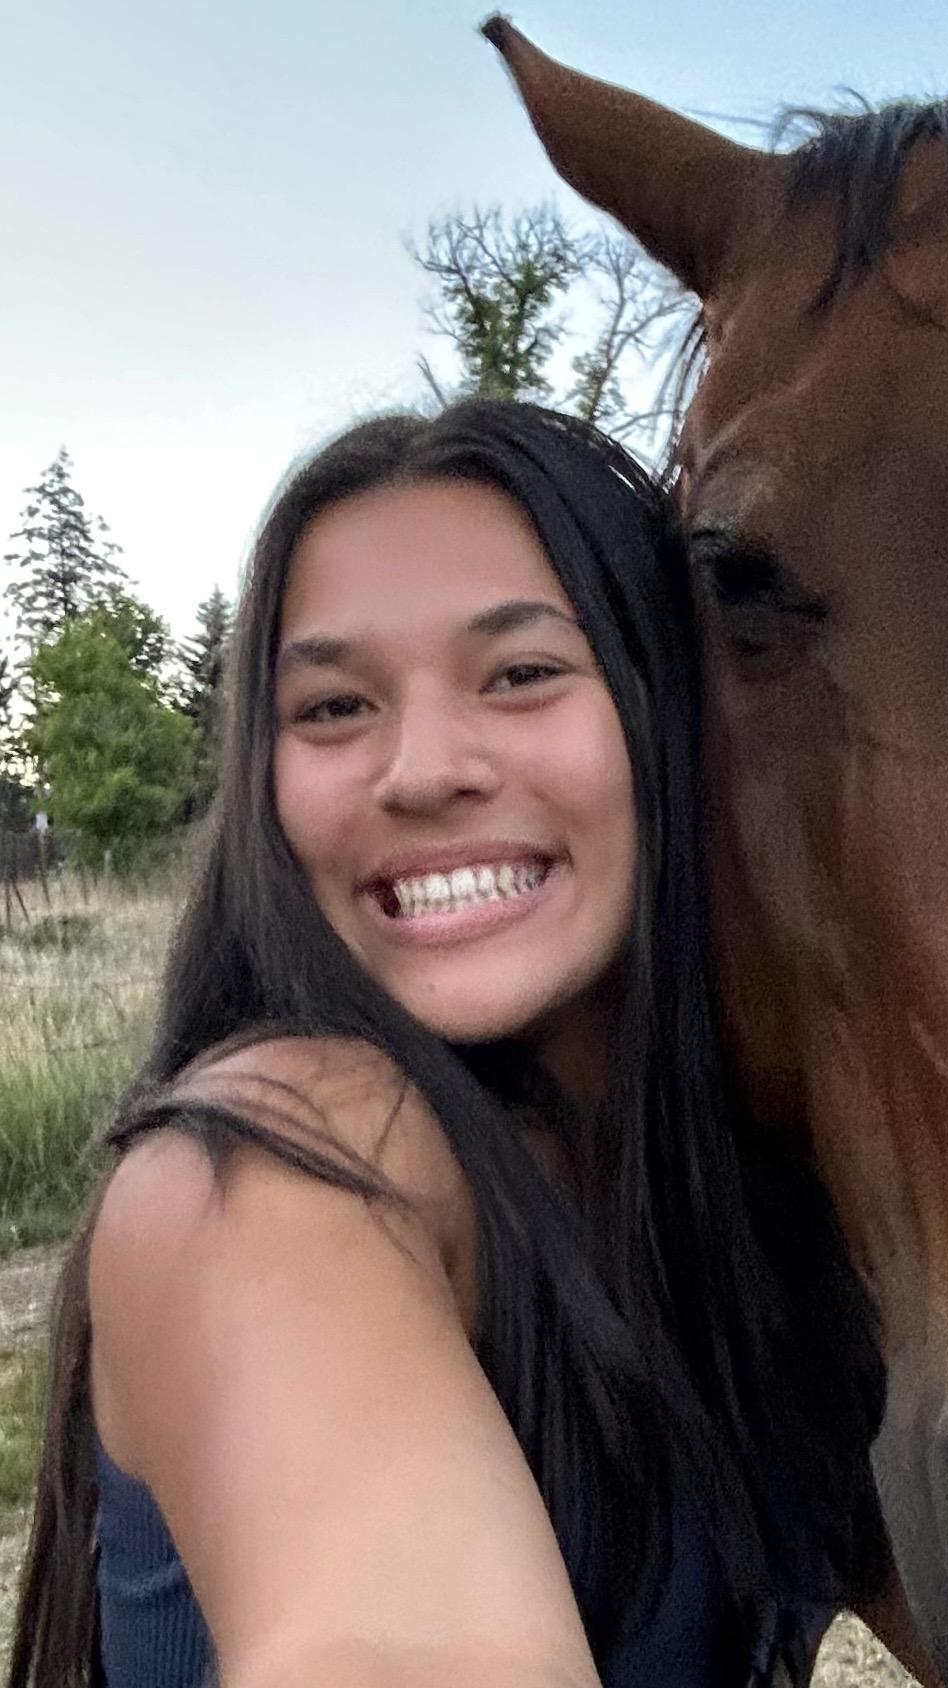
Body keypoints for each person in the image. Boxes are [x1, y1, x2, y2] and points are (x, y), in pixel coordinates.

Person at [6, 399, 882, 1688]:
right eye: (334, 706)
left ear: (668, 713)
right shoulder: (278, 1167)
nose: (420, 770)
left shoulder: (712, 1187)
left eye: (521, 673)